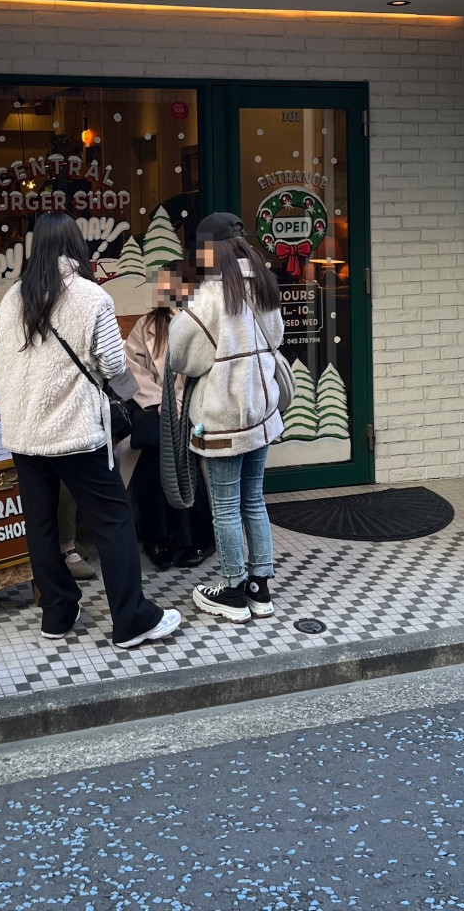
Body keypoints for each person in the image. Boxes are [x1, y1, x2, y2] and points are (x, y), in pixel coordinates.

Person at [0, 211, 180, 648]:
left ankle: (57, 612)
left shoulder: (13, 297)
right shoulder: (91, 296)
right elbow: (113, 364)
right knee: (112, 519)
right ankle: (131, 619)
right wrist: (135, 396)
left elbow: (3, 359)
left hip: (24, 432)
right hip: (73, 430)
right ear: (76, 246)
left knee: (40, 523)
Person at [167, 212, 283, 623]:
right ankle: (259, 589)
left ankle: (232, 591)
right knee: (254, 500)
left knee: (226, 507)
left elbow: (181, 356)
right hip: (260, 414)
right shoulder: (265, 285)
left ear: (207, 251)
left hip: (222, 419)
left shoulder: (210, 296)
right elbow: (278, 338)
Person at [119, 264, 212, 570]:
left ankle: (193, 538)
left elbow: (207, 369)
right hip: (155, 410)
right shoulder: (147, 325)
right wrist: (162, 402)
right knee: (154, 456)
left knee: (185, 457)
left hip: (194, 411)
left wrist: (182, 403)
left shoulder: (202, 320)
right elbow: (133, 369)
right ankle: (156, 538)